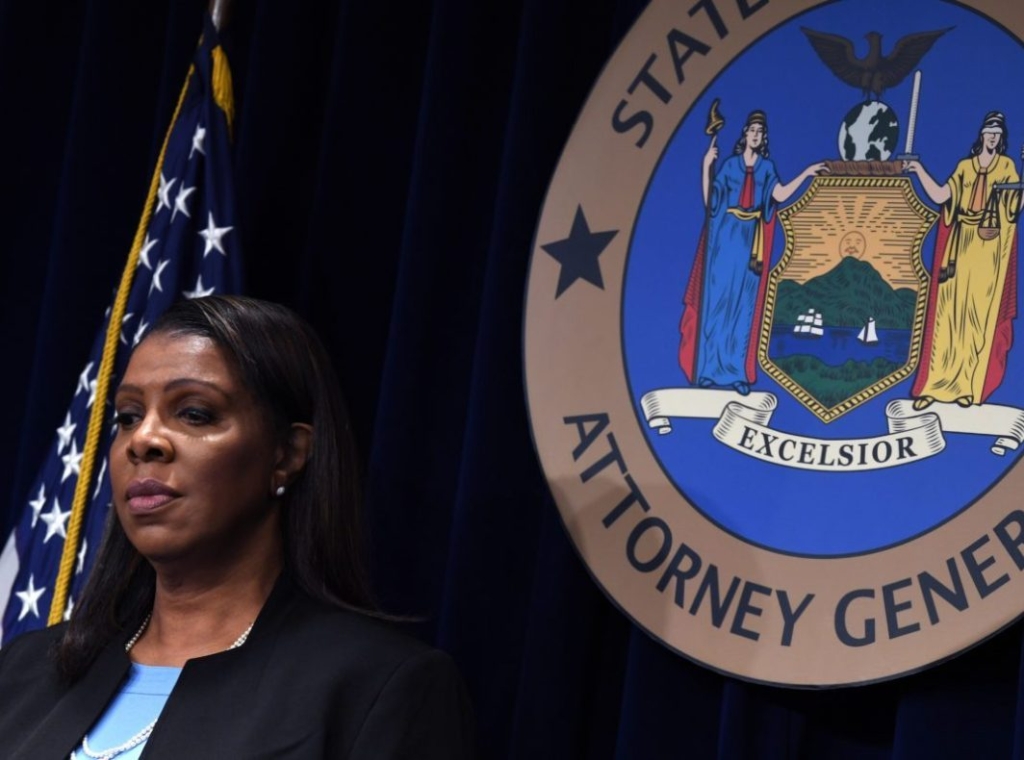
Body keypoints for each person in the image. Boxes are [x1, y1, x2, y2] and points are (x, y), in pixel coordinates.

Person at [0, 296, 475, 758]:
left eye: (194, 413)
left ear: (287, 454)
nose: (143, 440)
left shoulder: (376, 687)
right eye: (127, 417)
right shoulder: (26, 669)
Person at [679, 110, 828, 395]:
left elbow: (780, 195)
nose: (756, 135)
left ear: (763, 137)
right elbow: (711, 202)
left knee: (743, 309)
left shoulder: (766, 168)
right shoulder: (730, 166)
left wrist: (807, 174)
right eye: (752, 130)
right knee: (717, 307)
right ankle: (709, 371)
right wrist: (705, 166)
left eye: (760, 131)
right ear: (744, 134)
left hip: (750, 244)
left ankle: (735, 373)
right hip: (724, 239)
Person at [904, 111, 1024, 410]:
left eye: (997, 132)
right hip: (960, 248)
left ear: (1001, 137)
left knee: (977, 320)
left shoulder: (1007, 167)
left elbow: (1014, 208)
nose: (993, 137)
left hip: (989, 251)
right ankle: (935, 385)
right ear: (981, 135)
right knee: (947, 318)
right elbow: (944, 196)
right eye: (989, 131)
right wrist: (918, 169)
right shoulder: (965, 167)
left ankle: (968, 387)